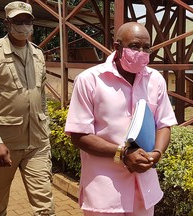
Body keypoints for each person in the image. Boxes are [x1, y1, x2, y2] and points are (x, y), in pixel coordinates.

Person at [64, 22, 177, 216]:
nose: (141, 52)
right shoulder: (90, 80)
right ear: (117, 47)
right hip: (104, 192)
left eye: (146, 47)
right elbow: (78, 135)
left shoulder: (155, 80)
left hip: (144, 189)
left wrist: (157, 153)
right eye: (134, 46)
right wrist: (122, 153)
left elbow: (164, 123)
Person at [0, 1, 55, 215]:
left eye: (28, 21)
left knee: (45, 205)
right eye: (18, 21)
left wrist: (45, 130)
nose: (24, 26)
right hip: (3, 143)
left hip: (37, 143)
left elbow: (41, 96)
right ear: (6, 23)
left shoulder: (38, 54)